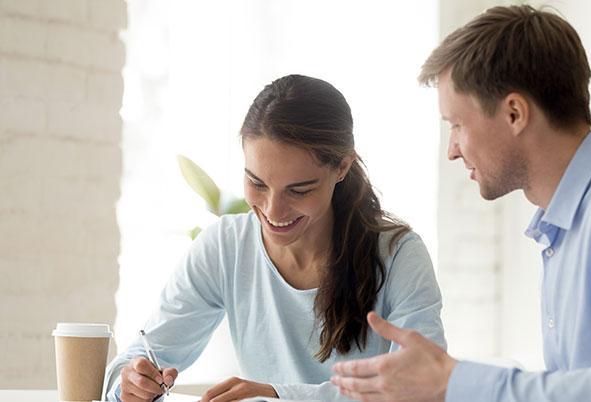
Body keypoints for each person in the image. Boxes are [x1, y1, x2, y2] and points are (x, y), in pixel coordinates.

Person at [331, 5, 591, 402]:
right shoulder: (569, 219)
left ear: (515, 112)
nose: (452, 150)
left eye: (457, 124)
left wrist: (453, 383)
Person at [104, 74, 446, 402]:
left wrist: (277, 395)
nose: (273, 210)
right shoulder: (226, 247)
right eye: (257, 183)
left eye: (299, 190)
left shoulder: (398, 255)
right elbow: (139, 357)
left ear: (341, 167)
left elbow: (423, 387)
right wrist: (130, 386)